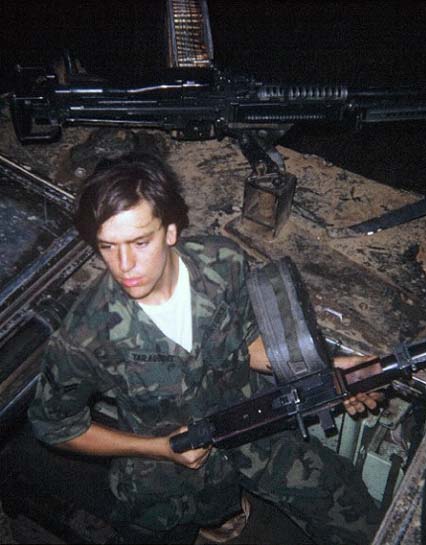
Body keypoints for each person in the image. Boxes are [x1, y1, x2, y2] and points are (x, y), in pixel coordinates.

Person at [28, 153, 382, 544]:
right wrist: (157, 449)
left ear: (171, 231)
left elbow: (249, 343)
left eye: (140, 242)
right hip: (164, 466)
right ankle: (209, 515)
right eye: (108, 246)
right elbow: (56, 427)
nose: (124, 265)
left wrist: (328, 371)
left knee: (350, 511)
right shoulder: (86, 335)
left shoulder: (223, 263)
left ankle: (220, 512)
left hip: (248, 420)